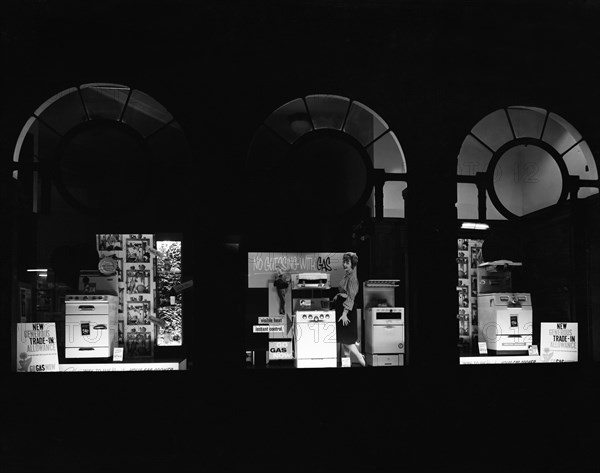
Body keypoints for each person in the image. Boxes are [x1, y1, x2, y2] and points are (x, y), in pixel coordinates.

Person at [333, 252, 366, 367]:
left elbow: (351, 296)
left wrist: (345, 313)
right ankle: (347, 363)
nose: (344, 264)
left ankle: (359, 356)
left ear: (352, 264)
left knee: (347, 339)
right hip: (343, 309)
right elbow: (345, 293)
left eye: (347, 262)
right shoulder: (346, 276)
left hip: (347, 311)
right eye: (344, 262)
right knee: (343, 338)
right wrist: (338, 295)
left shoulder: (352, 278)